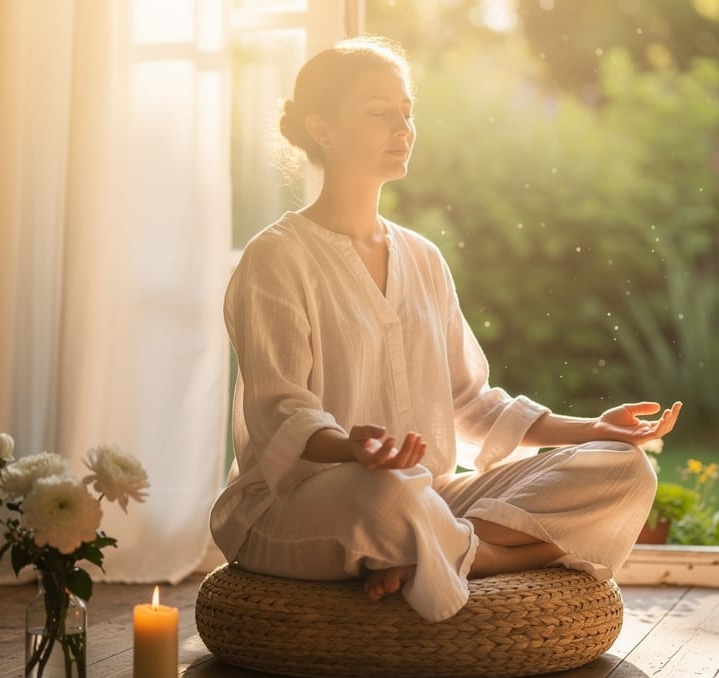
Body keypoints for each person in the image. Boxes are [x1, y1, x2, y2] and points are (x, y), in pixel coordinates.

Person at [209, 35, 682, 622]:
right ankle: (478, 550)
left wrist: (591, 428)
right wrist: (353, 447)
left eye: (407, 112)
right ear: (322, 128)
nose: (403, 127)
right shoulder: (276, 257)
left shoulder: (424, 257)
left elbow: (470, 401)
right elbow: (281, 411)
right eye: (379, 112)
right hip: (305, 503)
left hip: (427, 496)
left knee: (625, 470)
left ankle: (462, 554)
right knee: (382, 493)